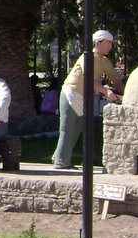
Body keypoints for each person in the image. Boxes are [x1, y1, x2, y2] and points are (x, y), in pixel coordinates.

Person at [52, 30, 124, 169]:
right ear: (98, 42)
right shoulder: (87, 58)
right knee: (67, 129)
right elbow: (89, 80)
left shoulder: (103, 61)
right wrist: (106, 91)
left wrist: (126, 93)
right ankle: (61, 161)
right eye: (108, 42)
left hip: (83, 98)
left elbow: (116, 80)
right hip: (70, 94)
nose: (111, 46)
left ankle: (60, 156)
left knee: (76, 129)